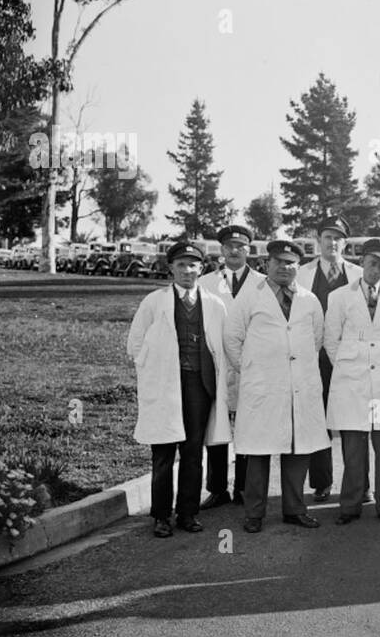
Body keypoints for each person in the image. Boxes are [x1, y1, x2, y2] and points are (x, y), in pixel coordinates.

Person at [127, 240, 232, 538]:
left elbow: (220, 347)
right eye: (182, 265)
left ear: (202, 268)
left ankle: (188, 512)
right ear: (170, 267)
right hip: (165, 385)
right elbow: (135, 344)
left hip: (199, 386)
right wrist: (151, 373)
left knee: (192, 452)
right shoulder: (154, 301)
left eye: (193, 265)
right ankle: (161, 515)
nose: (188, 270)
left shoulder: (213, 303)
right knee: (163, 451)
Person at [224, 240, 329, 533]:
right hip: (263, 387)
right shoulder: (249, 297)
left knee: (298, 451)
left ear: (298, 266)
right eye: (279, 262)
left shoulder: (309, 300)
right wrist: (251, 368)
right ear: (267, 264)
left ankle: (294, 510)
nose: (285, 267)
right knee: (258, 452)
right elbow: (232, 338)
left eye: (291, 262)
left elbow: (316, 339)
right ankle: (254, 513)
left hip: (299, 386)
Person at [324, 239, 380, 525]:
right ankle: (350, 505)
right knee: (354, 448)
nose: (376, 269)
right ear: (362, 263)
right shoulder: (339, 297)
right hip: (352, 383)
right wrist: (350, 366)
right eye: (372, 263)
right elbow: (330, 340)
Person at [198, 224, 264, 511]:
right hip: (218, 364)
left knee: (248, 426)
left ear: (250, 250)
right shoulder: (206, 282)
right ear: (221, 250)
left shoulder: (263, 283)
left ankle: (244, 487)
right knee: (217, 426)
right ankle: (217, 488)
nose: (235, 251)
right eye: (229, 247)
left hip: (253, 363)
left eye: (241, 246)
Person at [297, 213, 362, 502]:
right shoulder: (303, 273)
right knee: (318, 420)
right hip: (314, 359)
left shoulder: (358, 274)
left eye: (338, 238)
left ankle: (359, 483)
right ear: (318, 241)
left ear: (345, 243)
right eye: (327, 237)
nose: (332, 243)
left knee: (353, 422)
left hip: (351, 359)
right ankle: (322, 483)